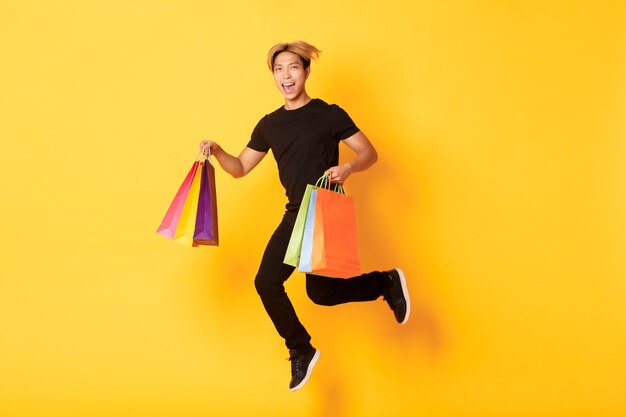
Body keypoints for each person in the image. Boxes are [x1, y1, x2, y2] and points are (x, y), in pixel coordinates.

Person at [199, 41, 410, 392]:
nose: (286, 75)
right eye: (279, 69)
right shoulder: (269, 125)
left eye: (293, 68)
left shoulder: (329, 114)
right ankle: (312, 339)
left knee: (307, 290)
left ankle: (379, 287)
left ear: (306, 72)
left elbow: (369, 153)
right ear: (274, 76)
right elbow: (239, 168)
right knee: (292, 287)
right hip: (296, 212)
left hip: (324, 209)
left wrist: (349, 168)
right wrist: (219, 151)